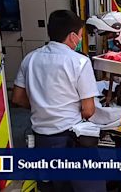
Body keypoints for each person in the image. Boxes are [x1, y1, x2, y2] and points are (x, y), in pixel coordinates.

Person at [12, 10, 105, 192]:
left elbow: (17, 98)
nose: (79, 40)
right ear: (71, 36)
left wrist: (43, 107)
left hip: (41, 140)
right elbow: (88, 110)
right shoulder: (79, 62)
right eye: (79, 36)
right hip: (71, 141)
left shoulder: (30, 59)